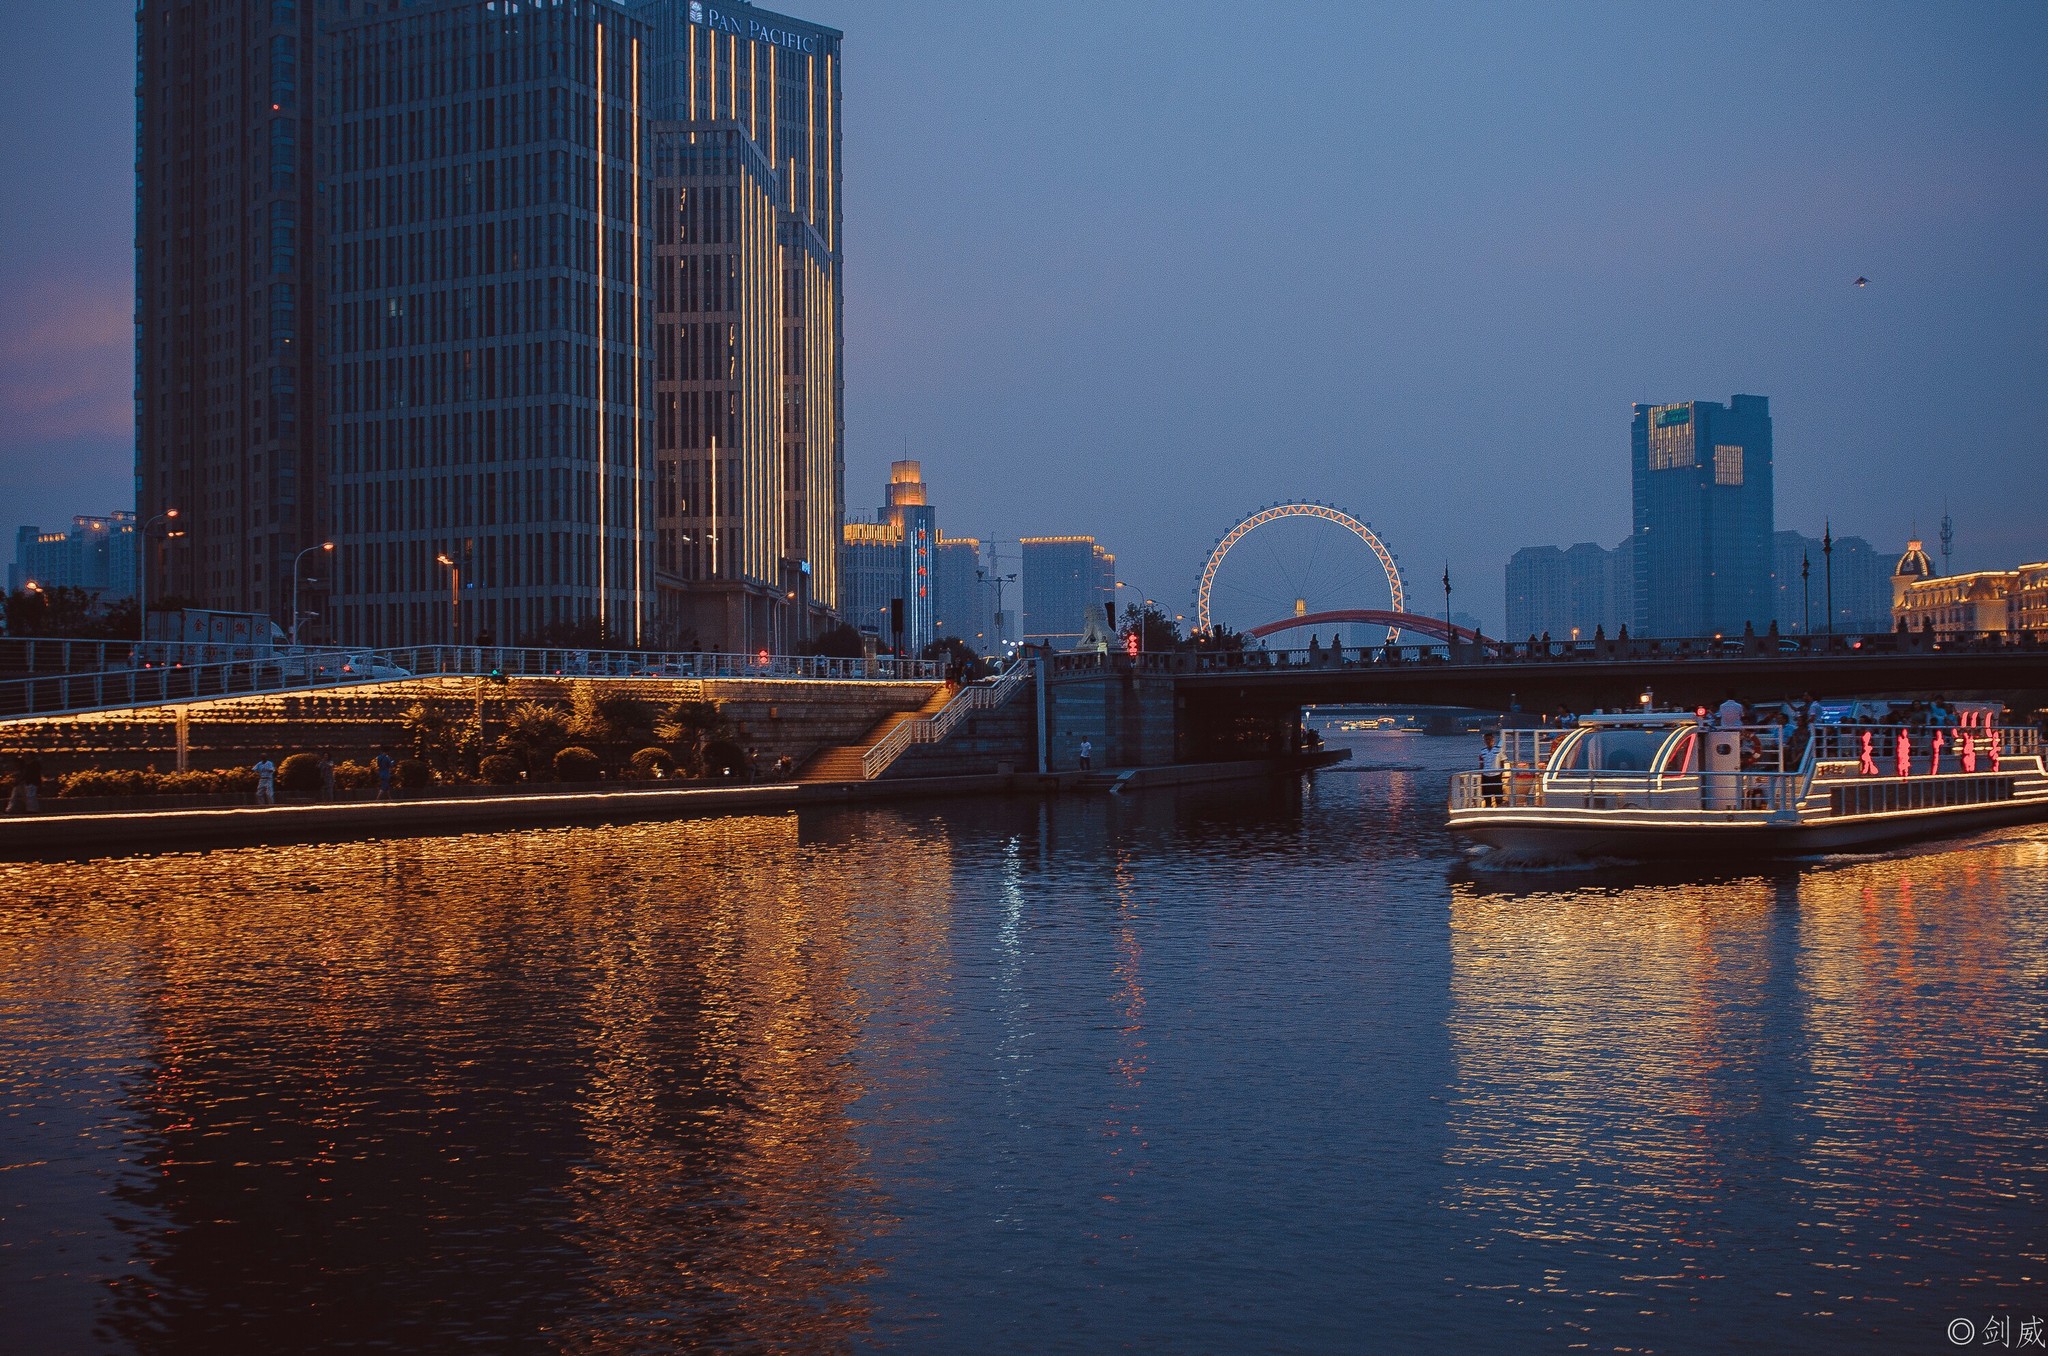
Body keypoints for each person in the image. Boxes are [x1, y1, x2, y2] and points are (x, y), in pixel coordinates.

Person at [1479, 731, 1504, 806]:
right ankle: (1488, 810)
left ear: (1493, 740)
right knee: (1487, 797)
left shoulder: (1498, 750)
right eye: (1486, 739)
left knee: (1498, 798)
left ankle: (1499, 811)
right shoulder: (1482, 751)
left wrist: (1501, 773)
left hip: (1496, 776)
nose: (1488, 741)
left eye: (1490, 739)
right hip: (1485, 776)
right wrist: (1481, 773)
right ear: (1484, 741)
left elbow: (1502, 762)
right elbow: (1481, 764)